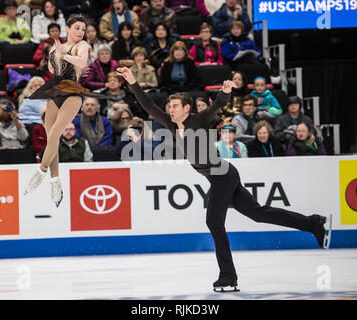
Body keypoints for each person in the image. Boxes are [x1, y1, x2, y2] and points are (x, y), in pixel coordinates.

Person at [118, 66, 330, 292]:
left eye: (175, 106)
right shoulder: (171, 124)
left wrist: (225, 91)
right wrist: (132, 81)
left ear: (187, 108)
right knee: (259, 214)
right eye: (170, 106)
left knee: (214, 222)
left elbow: (217, 106)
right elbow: (148, 105)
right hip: (219, 176)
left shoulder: (198, 120)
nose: (170, 109)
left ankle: (228, 276)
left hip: (223, 175)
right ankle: (313, 223)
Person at [24, 14, 108, 207]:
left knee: (55, 134)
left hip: (73, 93)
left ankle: (41, 171)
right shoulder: (55, 47)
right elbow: (54, 72)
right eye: (77, 28)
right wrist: (59, 55)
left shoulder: (83, 45)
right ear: (68, 29)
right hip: (55, 93)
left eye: (83, 29)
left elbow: (81, 62)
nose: (80, 32)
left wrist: (64, 55)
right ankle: (55, 181)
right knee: (50, 136)